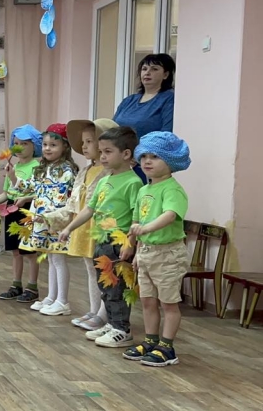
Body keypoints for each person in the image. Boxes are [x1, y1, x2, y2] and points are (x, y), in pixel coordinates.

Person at [60, 127, 143, 348]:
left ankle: (122, 330)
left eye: (107, 152)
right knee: (105, 288)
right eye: (101, 151)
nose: (102, 156)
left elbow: (137, 217)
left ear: (126, 154)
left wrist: (130, 243)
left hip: (118, 244)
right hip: (102, 241)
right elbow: (90, 208)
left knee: (117, 289)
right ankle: (111, 323)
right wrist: (69, 228)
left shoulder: (133, 183)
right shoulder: (105, 180)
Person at [0, 124, 77, 315]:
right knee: (50, 258)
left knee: (58, 259)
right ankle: (51, 297)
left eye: (53, 145)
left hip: (55, 220)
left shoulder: (66, 170)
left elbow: (61, 198)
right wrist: (13, 177)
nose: (47, 148)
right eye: (45, 144)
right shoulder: (44, 168)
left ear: (65, 146)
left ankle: (62, 301)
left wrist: (46, 215)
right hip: (42, 219)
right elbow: (29, 187)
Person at [123, 132, 191, 367]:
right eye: (144, 156)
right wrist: (135, 248)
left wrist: (146, 228)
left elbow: (170, 215)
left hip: (168, 254)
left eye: (155, 157)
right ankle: (151, 341)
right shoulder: (144, 190)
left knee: (168, 303)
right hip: (147, 253)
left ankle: (167, 347)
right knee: (148, 301)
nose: (147, 161)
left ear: (170, 161)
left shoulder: (172, 189)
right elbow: (136, 220)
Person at [44, 118, 116, 330]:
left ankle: (105, 314)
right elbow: (73, 203)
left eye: (89, 141)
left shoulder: (109, 173)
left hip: (100, 229)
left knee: (104, 271)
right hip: (83, 227)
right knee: (91, 270)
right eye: (83, 142)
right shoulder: (85, 171)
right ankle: (94, 311)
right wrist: (51, 216)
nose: (84, 146)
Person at [0, 124, 42, 303]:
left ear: (34, 146)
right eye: (16, 143)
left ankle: (32, 286)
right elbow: (7, 192)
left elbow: (37, 192)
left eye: (24, 143)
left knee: (29, 251)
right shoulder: (12, 166)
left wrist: (15, 179)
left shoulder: (37, 167)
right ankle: (16, 284)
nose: (20, 147)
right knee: (15, 250)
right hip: (12, 208)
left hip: (28, 209)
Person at [113, 53, 175, 182]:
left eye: (154, 69)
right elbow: (112, 129)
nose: (147, 73)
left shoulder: (168, 99)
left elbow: (166, 134)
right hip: (120, 162)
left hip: (145, 164)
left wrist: (137, 155)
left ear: (165, 75)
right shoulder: (129, 100)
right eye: (144, 69)